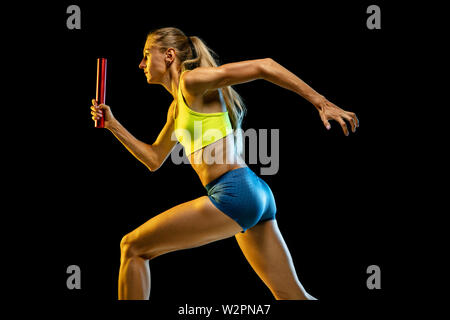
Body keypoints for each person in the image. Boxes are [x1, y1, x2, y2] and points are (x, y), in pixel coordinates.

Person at [90, 27, 358, 300]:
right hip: (254, 193)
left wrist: (320, 102)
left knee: (132, 247)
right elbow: (154, 159)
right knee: (292, 295)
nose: (141, 64)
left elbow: (263, 66)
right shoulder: (176, 108)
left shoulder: (190, 81)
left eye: (147, 55)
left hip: (234, 193)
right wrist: (113, 125)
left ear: (169, 55)